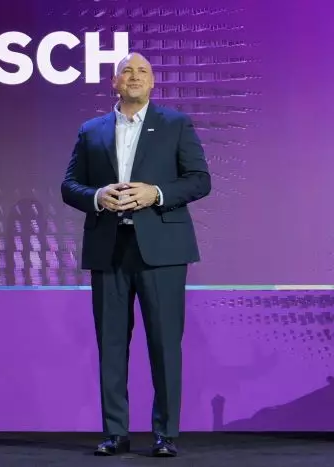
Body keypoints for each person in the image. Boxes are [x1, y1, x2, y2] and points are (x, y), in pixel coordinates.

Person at [61, 53, 211, 457]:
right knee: (111, 344)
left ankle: (165, 433)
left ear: (153, 82)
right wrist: (97, 196)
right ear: (114, 82)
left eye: (142, 71)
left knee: (165, 343)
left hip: (162, 250)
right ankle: (115, 432)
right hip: (108, 247)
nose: (134, 76)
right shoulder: (91, 130)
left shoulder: (175, 124)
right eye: (127, 71)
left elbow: (200, 180)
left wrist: (155, 193)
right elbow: (69, 185)